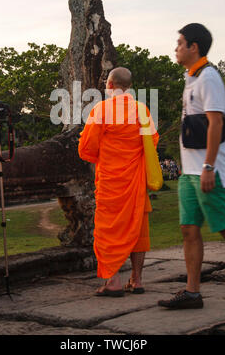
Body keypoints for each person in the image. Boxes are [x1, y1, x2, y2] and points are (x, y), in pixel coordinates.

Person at [158, 23, 225, 309]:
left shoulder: (209, 77)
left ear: (193, 47)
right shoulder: (192, 77)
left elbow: (216, 123)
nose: (176, 48)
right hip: (189, 171)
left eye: (180, 43)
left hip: (209, 170)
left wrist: (209, 166)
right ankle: (192, 292)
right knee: (189, 229)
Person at [78, 67, 159, 296]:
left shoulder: (101, 110)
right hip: (135, 182)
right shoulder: (142, 110)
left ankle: (112, 281)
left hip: (110, 182)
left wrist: (104, 155)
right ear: (129, 87)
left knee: (107, 231)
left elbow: (86, 148)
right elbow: (151, 143)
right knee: (139, 232)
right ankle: (137, 280)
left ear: (110, 85)